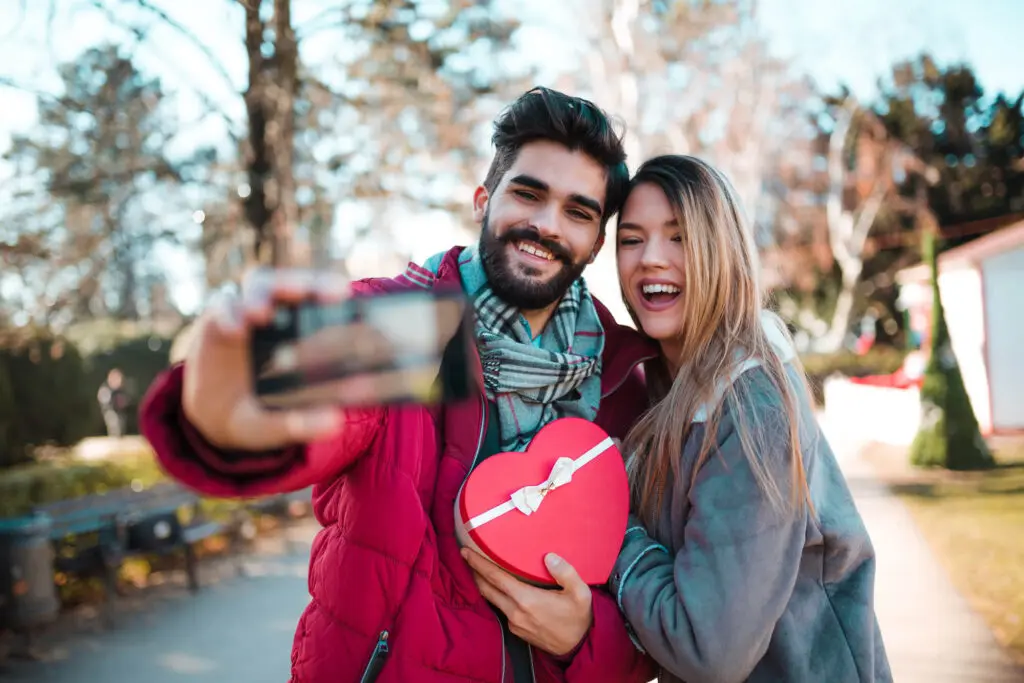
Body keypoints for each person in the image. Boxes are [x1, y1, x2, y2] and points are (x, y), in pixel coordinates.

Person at [138, 87, 658, 683]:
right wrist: (227, 416)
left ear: (595, 242)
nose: (545, 224)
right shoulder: (407, 327)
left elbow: (666, 609)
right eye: (527, 193)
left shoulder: (623, 385)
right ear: (483, 199)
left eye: (578, 211)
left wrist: (587, 638)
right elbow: (300, 407)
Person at [599, 155, 890, 683]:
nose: (651, 258)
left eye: (679, 237)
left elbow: (710, 648)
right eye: (631, 239)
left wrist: (609, 526)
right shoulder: (667, 385)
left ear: (722, 248)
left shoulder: (752, 407)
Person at [98, 368, 131, 437]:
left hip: (120, 413)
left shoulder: (122, 390)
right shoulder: (105, 390)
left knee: (121, 425)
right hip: (111, 412)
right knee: (114, 424)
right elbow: (106, 404)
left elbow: (126, 402)